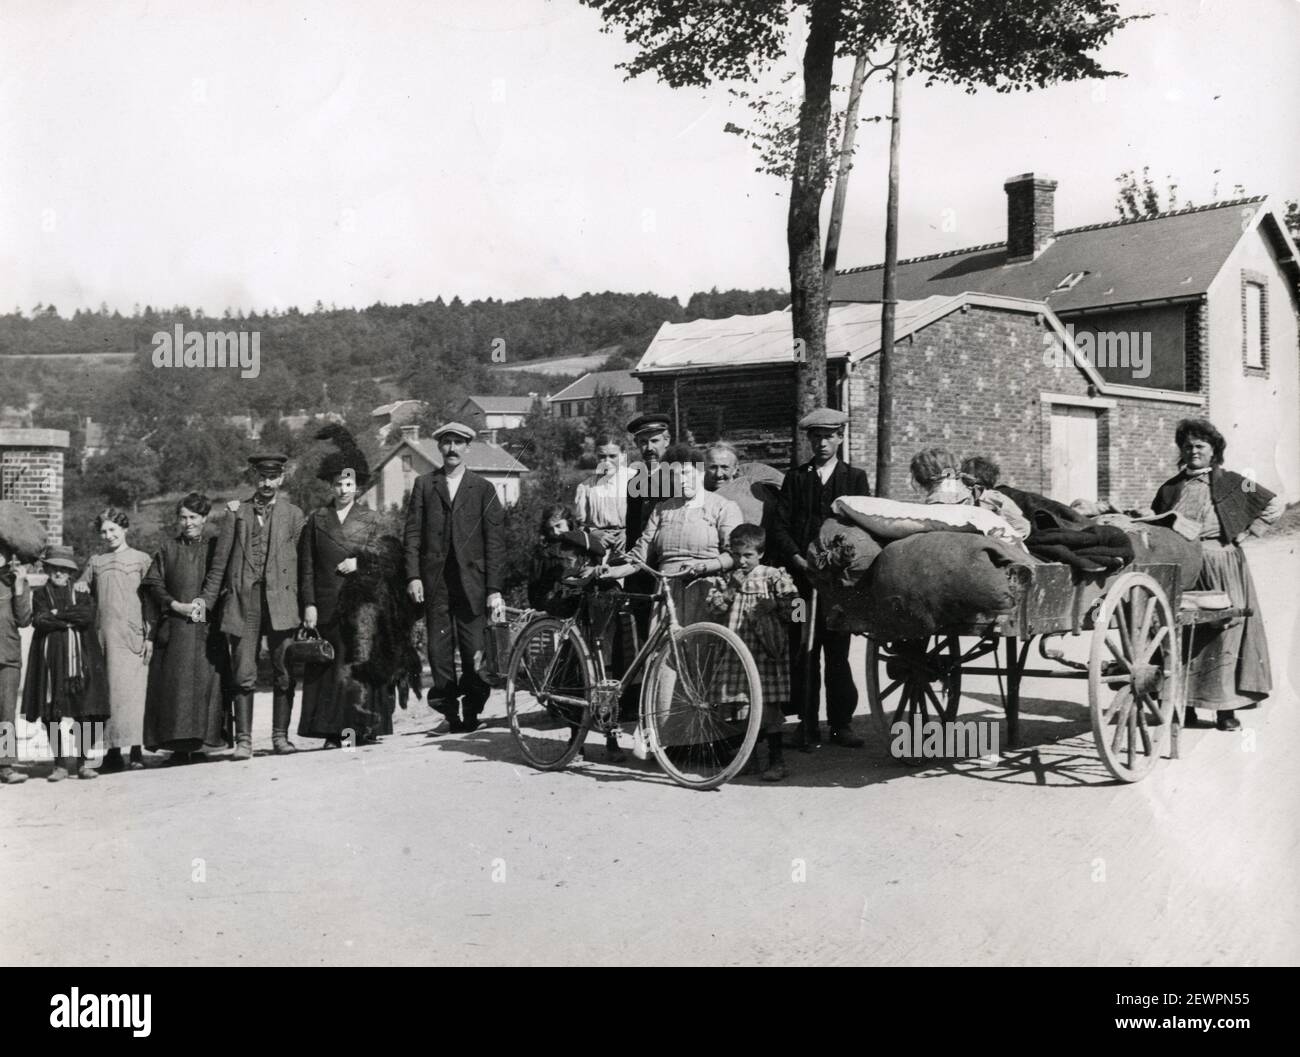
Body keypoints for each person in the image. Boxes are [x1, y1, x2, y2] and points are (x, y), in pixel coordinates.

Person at [1151, 417, 1284, 731]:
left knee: (1226, 630)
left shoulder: (1235, 480)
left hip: (1221, 561)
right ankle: (1183, 708)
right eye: (1187, 446)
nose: (1193, 451)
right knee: (1182, 633)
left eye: (1200, 446)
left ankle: (1225, 710)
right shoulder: (1170, 488)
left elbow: (1274, 505)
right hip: (1183, 565)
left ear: (1213, 451)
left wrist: (1247, 532)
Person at [769, 407, 870, 750]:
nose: (822, 443)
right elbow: (779, 527)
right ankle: (806, 724)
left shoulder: (855, 478)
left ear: (840, 437)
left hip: (837, 588)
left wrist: (837, 564)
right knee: (802, 650)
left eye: (829, 436)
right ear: (809, 440)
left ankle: (842, 724)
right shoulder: (796, 478)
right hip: (799, 586)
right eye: (816, 437)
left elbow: (863, 528)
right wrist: (799, 560)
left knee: (837, 653)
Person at [201, 452, 306, 760]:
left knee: (283, 670)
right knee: (243, 669)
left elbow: (305, 565)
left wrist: (309, 604)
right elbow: (219, 564)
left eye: (273, 477)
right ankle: (244, 741)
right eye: (262, 477)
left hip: (282, 602)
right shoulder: (236, 513)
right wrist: (205, 604)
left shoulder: (294, 515)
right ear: (254, 478)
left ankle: (280, 737)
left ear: (282, 479)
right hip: (243, 603)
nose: (267, 483)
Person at [404, 421, 506, 734]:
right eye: (446, 443)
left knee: (475, 650)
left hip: (472, 584)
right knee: (438, 652)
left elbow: (495, 542)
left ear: (467, 448)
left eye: (458, 443)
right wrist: (413, 576)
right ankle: (450, 715)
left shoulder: (483, 488)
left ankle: (473, 712)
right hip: (436, 584)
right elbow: (412, 535)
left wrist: (494, 589)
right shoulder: (424, 485)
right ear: (439, 447)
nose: (452, 449)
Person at [298, 429, 393, 748]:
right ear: (330, 485)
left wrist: (360, 564)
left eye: (349, 484)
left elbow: (386, 561)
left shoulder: (371, 520)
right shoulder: (316, 519)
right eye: (338, 483)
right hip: (326, 602)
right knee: (330, 667)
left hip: (362, 603)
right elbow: (306, 565)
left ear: (358, 486)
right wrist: (308, 603)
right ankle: (331, 732)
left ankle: (362, 729)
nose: (343, 489)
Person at [601, 444, 743, 623]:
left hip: (707, 592)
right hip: (667, 594)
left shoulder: (724, 507)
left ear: (701, 472)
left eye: (686, 473)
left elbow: (735, 554)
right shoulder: (661, 510)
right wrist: (614, 571)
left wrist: (705, 566)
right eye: (674, 476)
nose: (681, 481)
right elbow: (640, 557)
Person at [703, 523, 800, 782]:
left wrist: (778, 606)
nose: (742, 561)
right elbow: (714, 611)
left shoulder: (772, 575)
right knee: (742, 708)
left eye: (748, 555)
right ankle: (750, 758)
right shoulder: (726, 579)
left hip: (765, 653)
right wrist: (731, 589)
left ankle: (776, 760)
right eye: (737, 555)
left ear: (761, 554)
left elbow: (797, 609)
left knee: (768, 707)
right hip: (736, 652)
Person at [527, 504, 621, 761]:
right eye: (552, 528)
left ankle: (610, 738)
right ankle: (575, 741)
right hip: (572, 632)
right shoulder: (556, 566)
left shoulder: (593, 559)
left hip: (597, 630)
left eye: (561, 526)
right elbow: (544, 596)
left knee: (605, 682)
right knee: (575, 686)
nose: (557, 532)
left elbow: (601, 560)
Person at [142, 494, 229, 763]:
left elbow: (221, 582)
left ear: (205, 518)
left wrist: (201, 610)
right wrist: (175, 605)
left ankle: (202, 745)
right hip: (176, 626)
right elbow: (154, 584)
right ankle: (177, 747)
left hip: (206, 629)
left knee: (205, 686)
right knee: (174, 688)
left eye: (193, 517)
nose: (188, 522)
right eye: (183, 517)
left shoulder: (215, 548)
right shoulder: (168, 549)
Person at [22, 546, 110, 780]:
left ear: (71, 572)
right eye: (54, 569)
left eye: (63, 569)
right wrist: (66, 617)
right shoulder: (41, 594)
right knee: (52, 711)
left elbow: (86, 617)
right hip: (50, 660)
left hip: (80, 661)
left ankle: (82, 762)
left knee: (85, 710)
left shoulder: (81, 591)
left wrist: (57, 615)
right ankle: (60, 764)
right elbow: (40, 620)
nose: (59, 574)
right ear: (47, 570)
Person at [75, 509, 153, 772]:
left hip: (132, 635)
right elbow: (80, 590)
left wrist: (150, 635)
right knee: (109, 695)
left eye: (113, 530)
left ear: (124, 529)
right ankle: (112, 753)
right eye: (104, 532)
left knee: (133, 696)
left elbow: (152, 600)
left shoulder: (141, 560)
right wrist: (82, 586)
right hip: (104, 638)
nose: (109, 535)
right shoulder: (96, 562)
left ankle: (136, 751)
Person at [0, 545, 33, 784]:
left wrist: (20, 587)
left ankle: (5, 765)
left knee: (6, 712)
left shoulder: (13, 581)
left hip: (7, 655)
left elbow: (23, 620)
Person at [573, 434, 629, 551]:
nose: (606, 461)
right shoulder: (586, 487)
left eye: (612, 456)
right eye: (602, 456)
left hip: (629, 542)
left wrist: (628, 532)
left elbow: (647, 518)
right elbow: (578, 523)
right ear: (596, 456)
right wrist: (593, 533)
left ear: (623, 455)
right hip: (598, 544)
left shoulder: (635, 480)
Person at [958, 455, 1033, 540]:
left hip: (1001, 538)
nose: (961, 475)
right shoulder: (967, 497)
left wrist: (1005, 537)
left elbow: (1023, 525)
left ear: (978, 478)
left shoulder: (995, 498)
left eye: (966, 472)